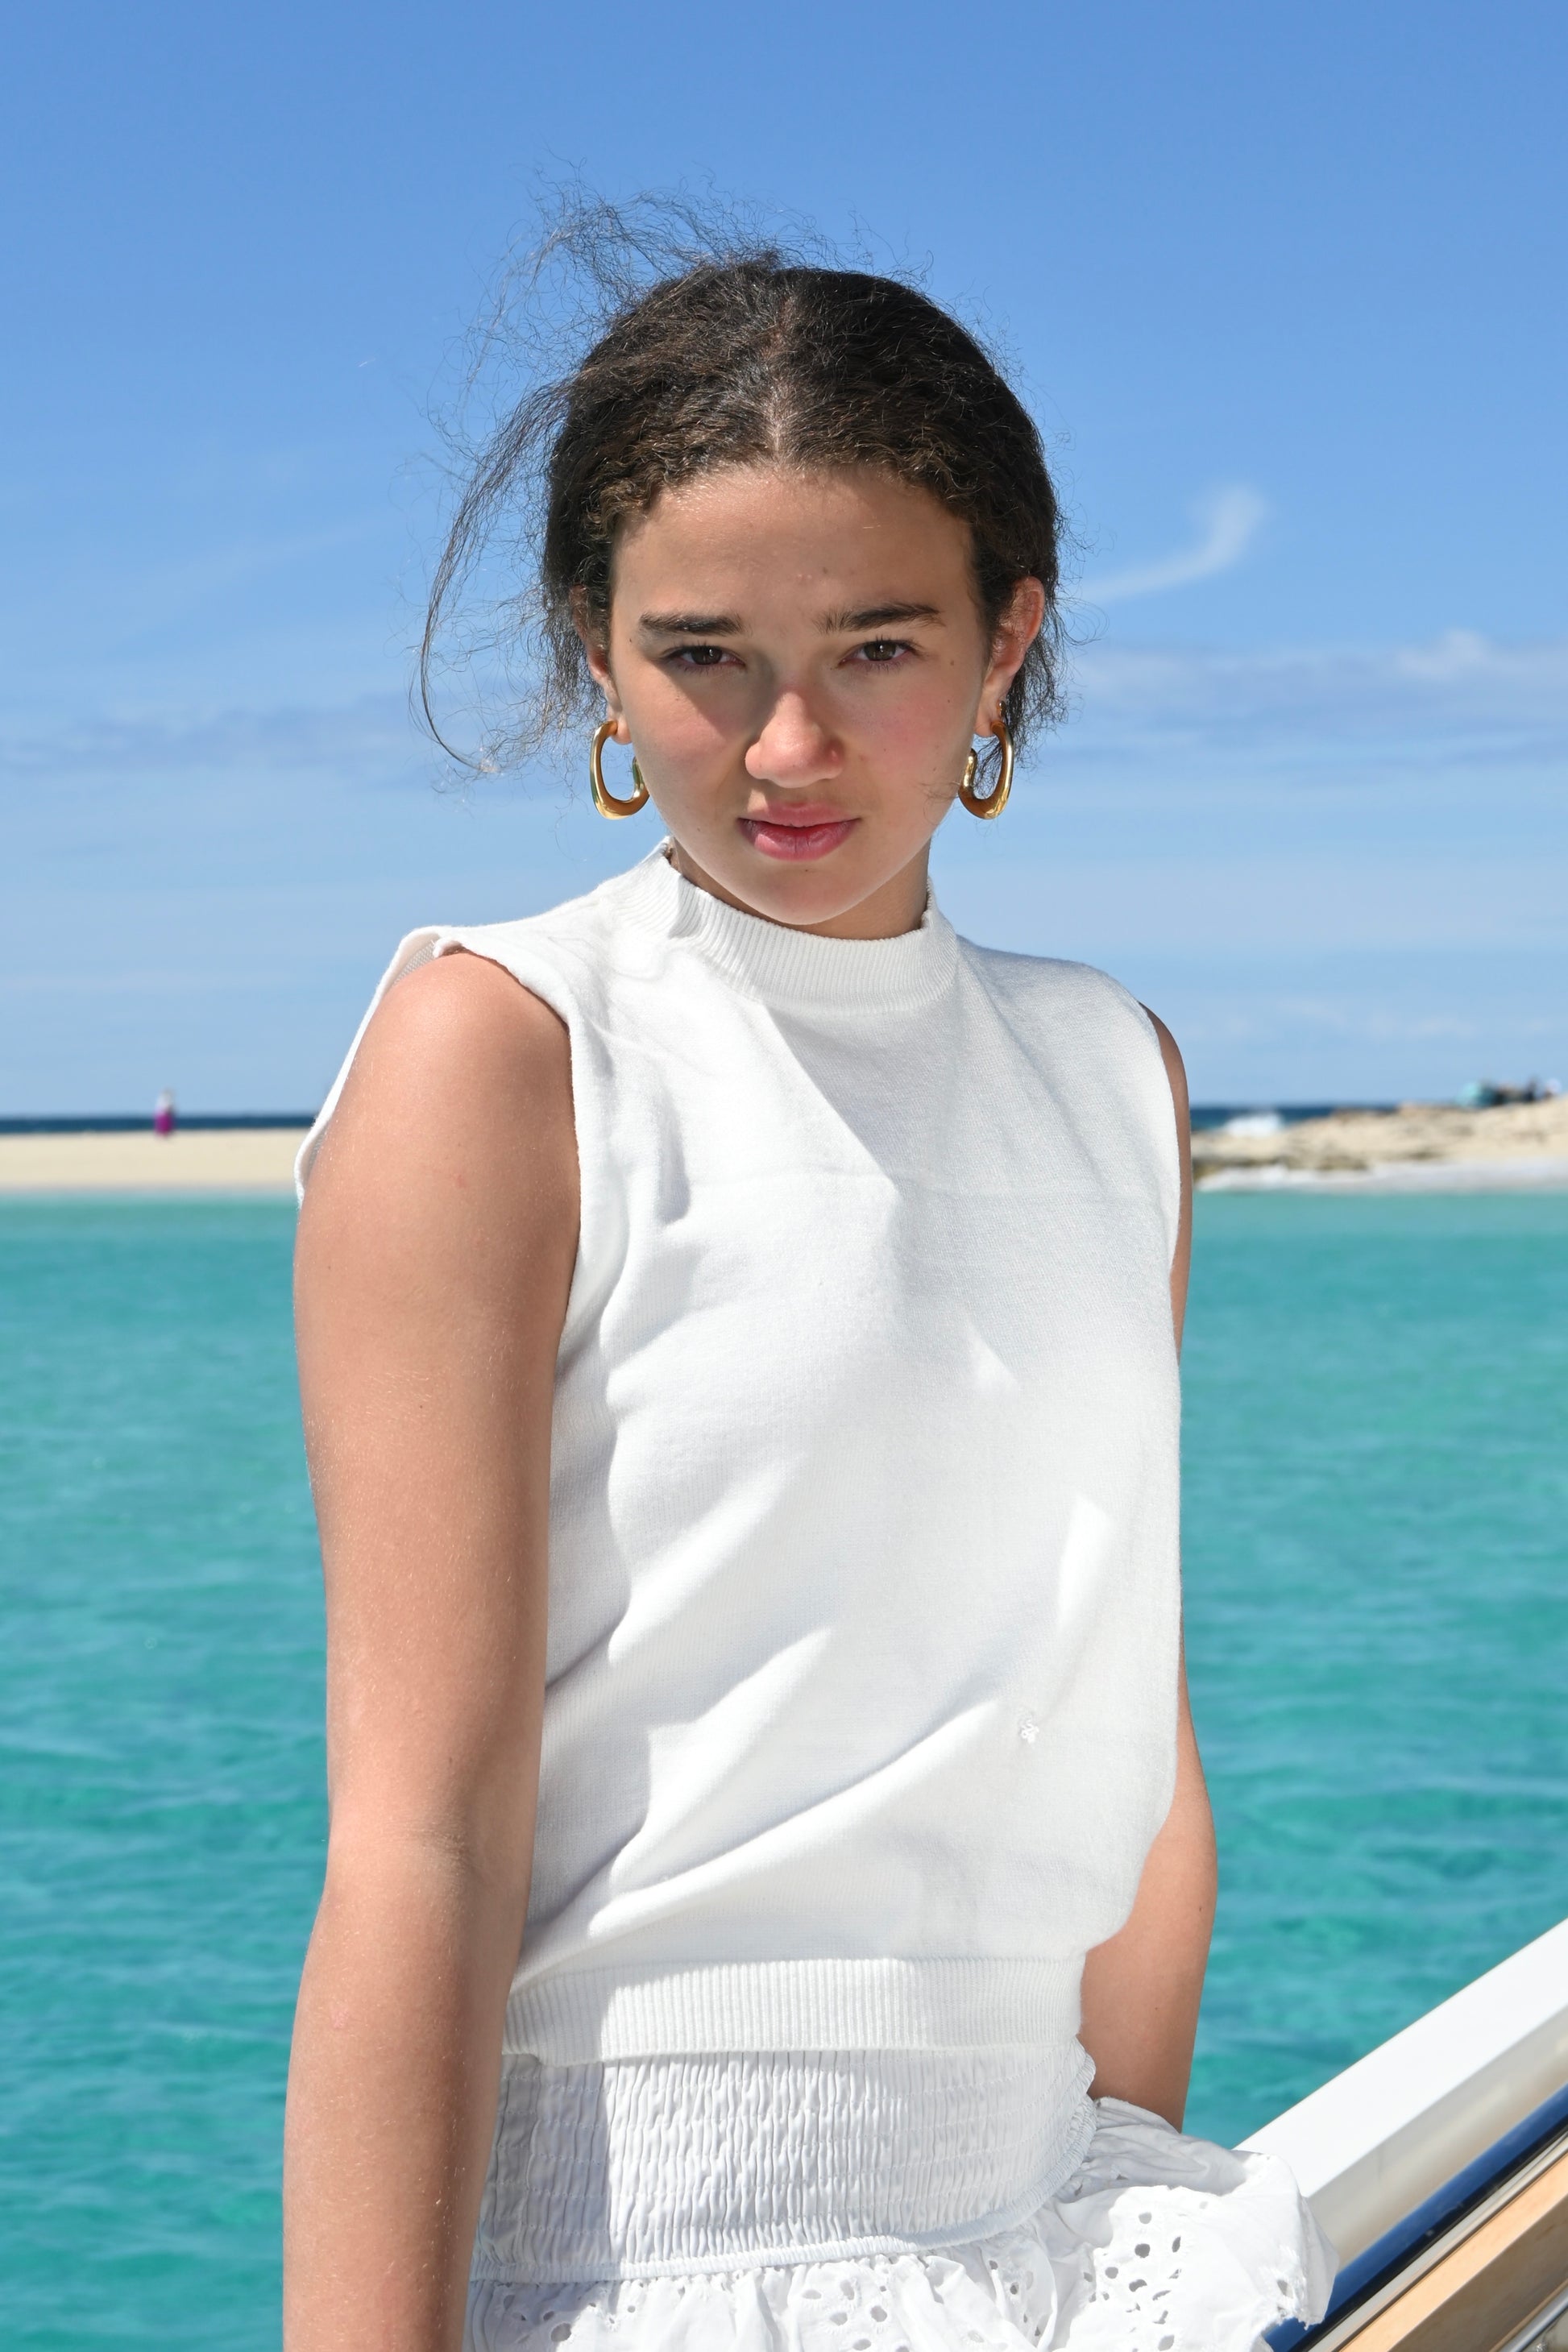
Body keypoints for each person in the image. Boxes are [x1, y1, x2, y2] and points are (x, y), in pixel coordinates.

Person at [285, 234, 1335, 2352]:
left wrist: (1117, 2183)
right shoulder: (506, 1049)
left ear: (1006, 638)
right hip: (638, 2272)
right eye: (701, 653)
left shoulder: (1108, 1070)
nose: (786, 743)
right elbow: (420, 1834)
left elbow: (1122, 1719)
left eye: (875, 646)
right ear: (592, 649)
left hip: (1074, 2235)